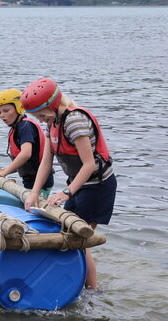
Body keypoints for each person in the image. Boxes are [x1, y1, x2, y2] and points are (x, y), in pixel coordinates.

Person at [20, 78, 116, 290]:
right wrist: (33, 193)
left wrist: (66, 192)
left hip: (97, 186)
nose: (41, 120)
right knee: (64, 232)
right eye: (37, 117)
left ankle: (91, 292)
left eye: (42, 115)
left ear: (53, 106)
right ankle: (73, 284)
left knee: (79, 241)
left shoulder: (74, 121)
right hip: (78, 186)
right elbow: (46, 162)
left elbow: (89, 164)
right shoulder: (53, 123)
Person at [0, 88, 54, 193]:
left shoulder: (25, 126)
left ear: (19, 108)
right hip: (30, 182)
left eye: (6, 110)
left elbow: (26, 154)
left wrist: (4, 173)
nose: (2, 115)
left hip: (40, 183)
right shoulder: (17, 128)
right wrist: (3, 170)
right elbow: (23, 163)